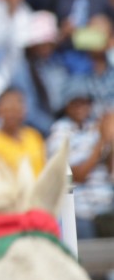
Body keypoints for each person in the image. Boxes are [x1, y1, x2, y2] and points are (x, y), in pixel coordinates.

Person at [47, 85, 114, 238]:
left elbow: (111, 171)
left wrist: (111, 138)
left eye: (85, 103)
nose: (81, 107)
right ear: (66, 106)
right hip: (79, 213)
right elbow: (77, 175)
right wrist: (102, 140)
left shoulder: (94, 128)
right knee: (87, 259)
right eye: (76, 103)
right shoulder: (59, 131)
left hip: (105, 207)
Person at [0, 88, 45, 176]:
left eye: (16, 108)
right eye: (8, 109)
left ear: (24, 110)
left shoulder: (34, 136)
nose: (12, 114)